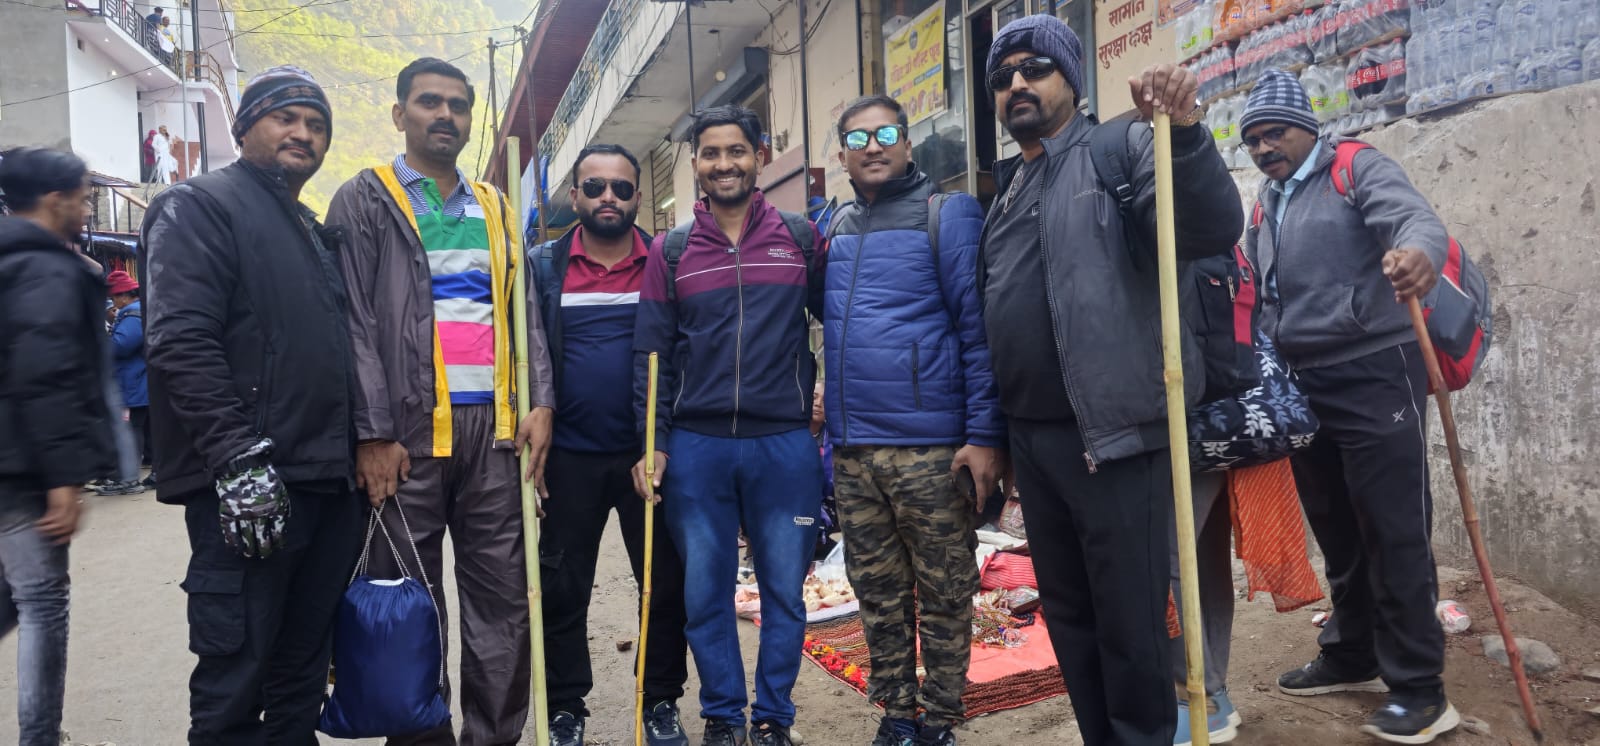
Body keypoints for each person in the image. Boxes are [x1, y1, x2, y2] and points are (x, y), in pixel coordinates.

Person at [978, 14, 1242, 745]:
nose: (1017, 84)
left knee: (1129, 624)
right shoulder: (1008, 190)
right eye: (1002, 77)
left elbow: (1208, 227)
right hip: (1036, 444)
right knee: (1071, 618)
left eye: (1034, 68)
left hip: (1116, 435)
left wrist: (1184, 134)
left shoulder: (1120, 148)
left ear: (1071, 78)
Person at [324, 56, 551, 746]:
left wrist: (540, 402)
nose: (444, 115)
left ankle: (492, 738)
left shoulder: (496, 205)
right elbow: (353, 322)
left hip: (498, 434)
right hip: (406, 432)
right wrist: (372, 432)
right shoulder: (365, 199)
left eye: (457, 104)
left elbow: (524, 312)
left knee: (504, 602)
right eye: (429, 102)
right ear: (401, 114)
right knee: (409, 602)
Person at [140, 65, 362, 745]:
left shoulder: (310, 228)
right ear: (243, 128)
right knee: (235, 677)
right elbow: (180, 340)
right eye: (285, 117)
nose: (303, 133)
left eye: (317, 124)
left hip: (325, 483)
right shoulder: (198, 206)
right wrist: (237, 459)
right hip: (249, 486)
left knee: (301, 672)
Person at [1239, 69, 1458, 744]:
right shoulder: (1265, 202)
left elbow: (1416, 221)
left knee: (1392, 528)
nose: (1264, 147)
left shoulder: (1355, 168)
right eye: (1252, 139)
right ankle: (1352, 651)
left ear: (1307, 129)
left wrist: (1418, 255)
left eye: (1275, 132)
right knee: (1336, 526)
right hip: (1304, 386)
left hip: (1375, 372)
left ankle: (1420, 689)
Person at [631, 104, 824, 746]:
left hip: (783, 445)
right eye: (711, 153)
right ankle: (722, 716)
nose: (724, 164)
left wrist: (828, 395)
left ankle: (773, 719)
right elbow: (652, 356)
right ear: (695, 164)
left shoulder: (800, 238)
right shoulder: (672, 250)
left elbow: (843, 320)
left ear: (759, 156)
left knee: (784, 593)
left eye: (736, 151)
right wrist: (654, 444)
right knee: (705, 594)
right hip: (698, 448)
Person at [821, 94, 1003, 746]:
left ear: (907, 143)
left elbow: (979, 334)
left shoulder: (946, 214)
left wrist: (984, 437)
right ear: (841, 154)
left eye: (885, 134)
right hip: (855, 453)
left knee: (946, 590)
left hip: (930, 450)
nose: (872, 147)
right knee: (877, 592)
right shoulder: (836, 226)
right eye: (857, 138)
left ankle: (940, 720)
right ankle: (897, 716)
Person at [529, 143, 691, 746]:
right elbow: (528, 352)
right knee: (562, 586)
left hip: (648, 453)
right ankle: (565, 707)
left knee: (663, 583)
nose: (608, 197)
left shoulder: (663, 261)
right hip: (569, 456)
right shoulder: (545, 266)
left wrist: (666, 440)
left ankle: (660, 700)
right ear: (574, 195)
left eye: (621, 188)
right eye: (594, 186)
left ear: (637, 198)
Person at [0, 146, 116, 746]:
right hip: (22, 469)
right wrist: (62, 478)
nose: (88, 208)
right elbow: (45, 377)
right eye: (83, 197)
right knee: (43, 601)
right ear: (55, 201)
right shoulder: (46, 269)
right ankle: (40, 736)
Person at [98, 269, 150, 496]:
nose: (114, 302)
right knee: (133, 429)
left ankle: (128, 479)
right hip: (134, 382)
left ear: (123, 296)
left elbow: (120, 346)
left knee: (130, 430)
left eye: (114, 297)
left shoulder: (132, 315)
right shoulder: (135, 313)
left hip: (132, 384)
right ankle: (127, 477)